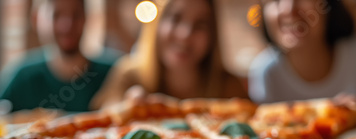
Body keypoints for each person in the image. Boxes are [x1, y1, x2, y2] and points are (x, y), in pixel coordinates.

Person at [90, 0, 247, 110]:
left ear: (212, 36)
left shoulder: (229, 86)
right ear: (157, 25)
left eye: (200, 25)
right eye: (175, 18)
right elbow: (105, 116)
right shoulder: (128, 74)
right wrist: (127, 106)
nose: (185, 34)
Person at [0, 0, 113, 112]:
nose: (67, 26)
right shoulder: (22, 79)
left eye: (76, 15)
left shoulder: (114, 73)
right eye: (56, 15)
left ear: (86, 18)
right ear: (36, 19)